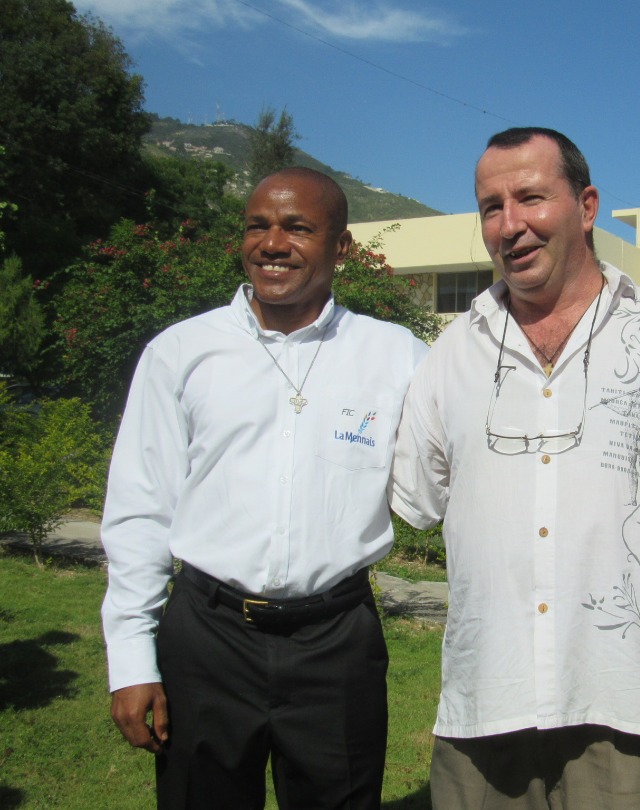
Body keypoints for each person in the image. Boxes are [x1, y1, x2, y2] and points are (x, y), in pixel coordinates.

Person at [391, 127, 640, 809]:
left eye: (531, 198)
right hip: (488, 709)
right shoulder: (451, 354)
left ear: (587, 205)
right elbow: (418, 500)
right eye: (490, 206)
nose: (509, 225)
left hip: (636, 712)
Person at [101, 166, 428, 809]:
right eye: (258, 225)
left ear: (342, 248)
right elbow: (140, 509)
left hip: (338, 642)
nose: (272, 243)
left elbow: (447, 474)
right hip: (207, 638)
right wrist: (133, 659)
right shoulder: (181, 351)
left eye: (297, 227)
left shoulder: (396, 356)